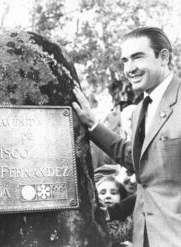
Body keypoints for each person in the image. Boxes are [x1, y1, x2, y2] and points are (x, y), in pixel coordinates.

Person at [73, 26, 181, 246]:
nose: (129, 68)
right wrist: (93, 125)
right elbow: (138, 160)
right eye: (124, 60)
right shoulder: (142, 108)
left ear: (163, 57)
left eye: (137, 57)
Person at [97, 175, 133, 247]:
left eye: (113, 193)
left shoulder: (130, 221)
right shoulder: (94, 221)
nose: (108, 196)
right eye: (102, 193)